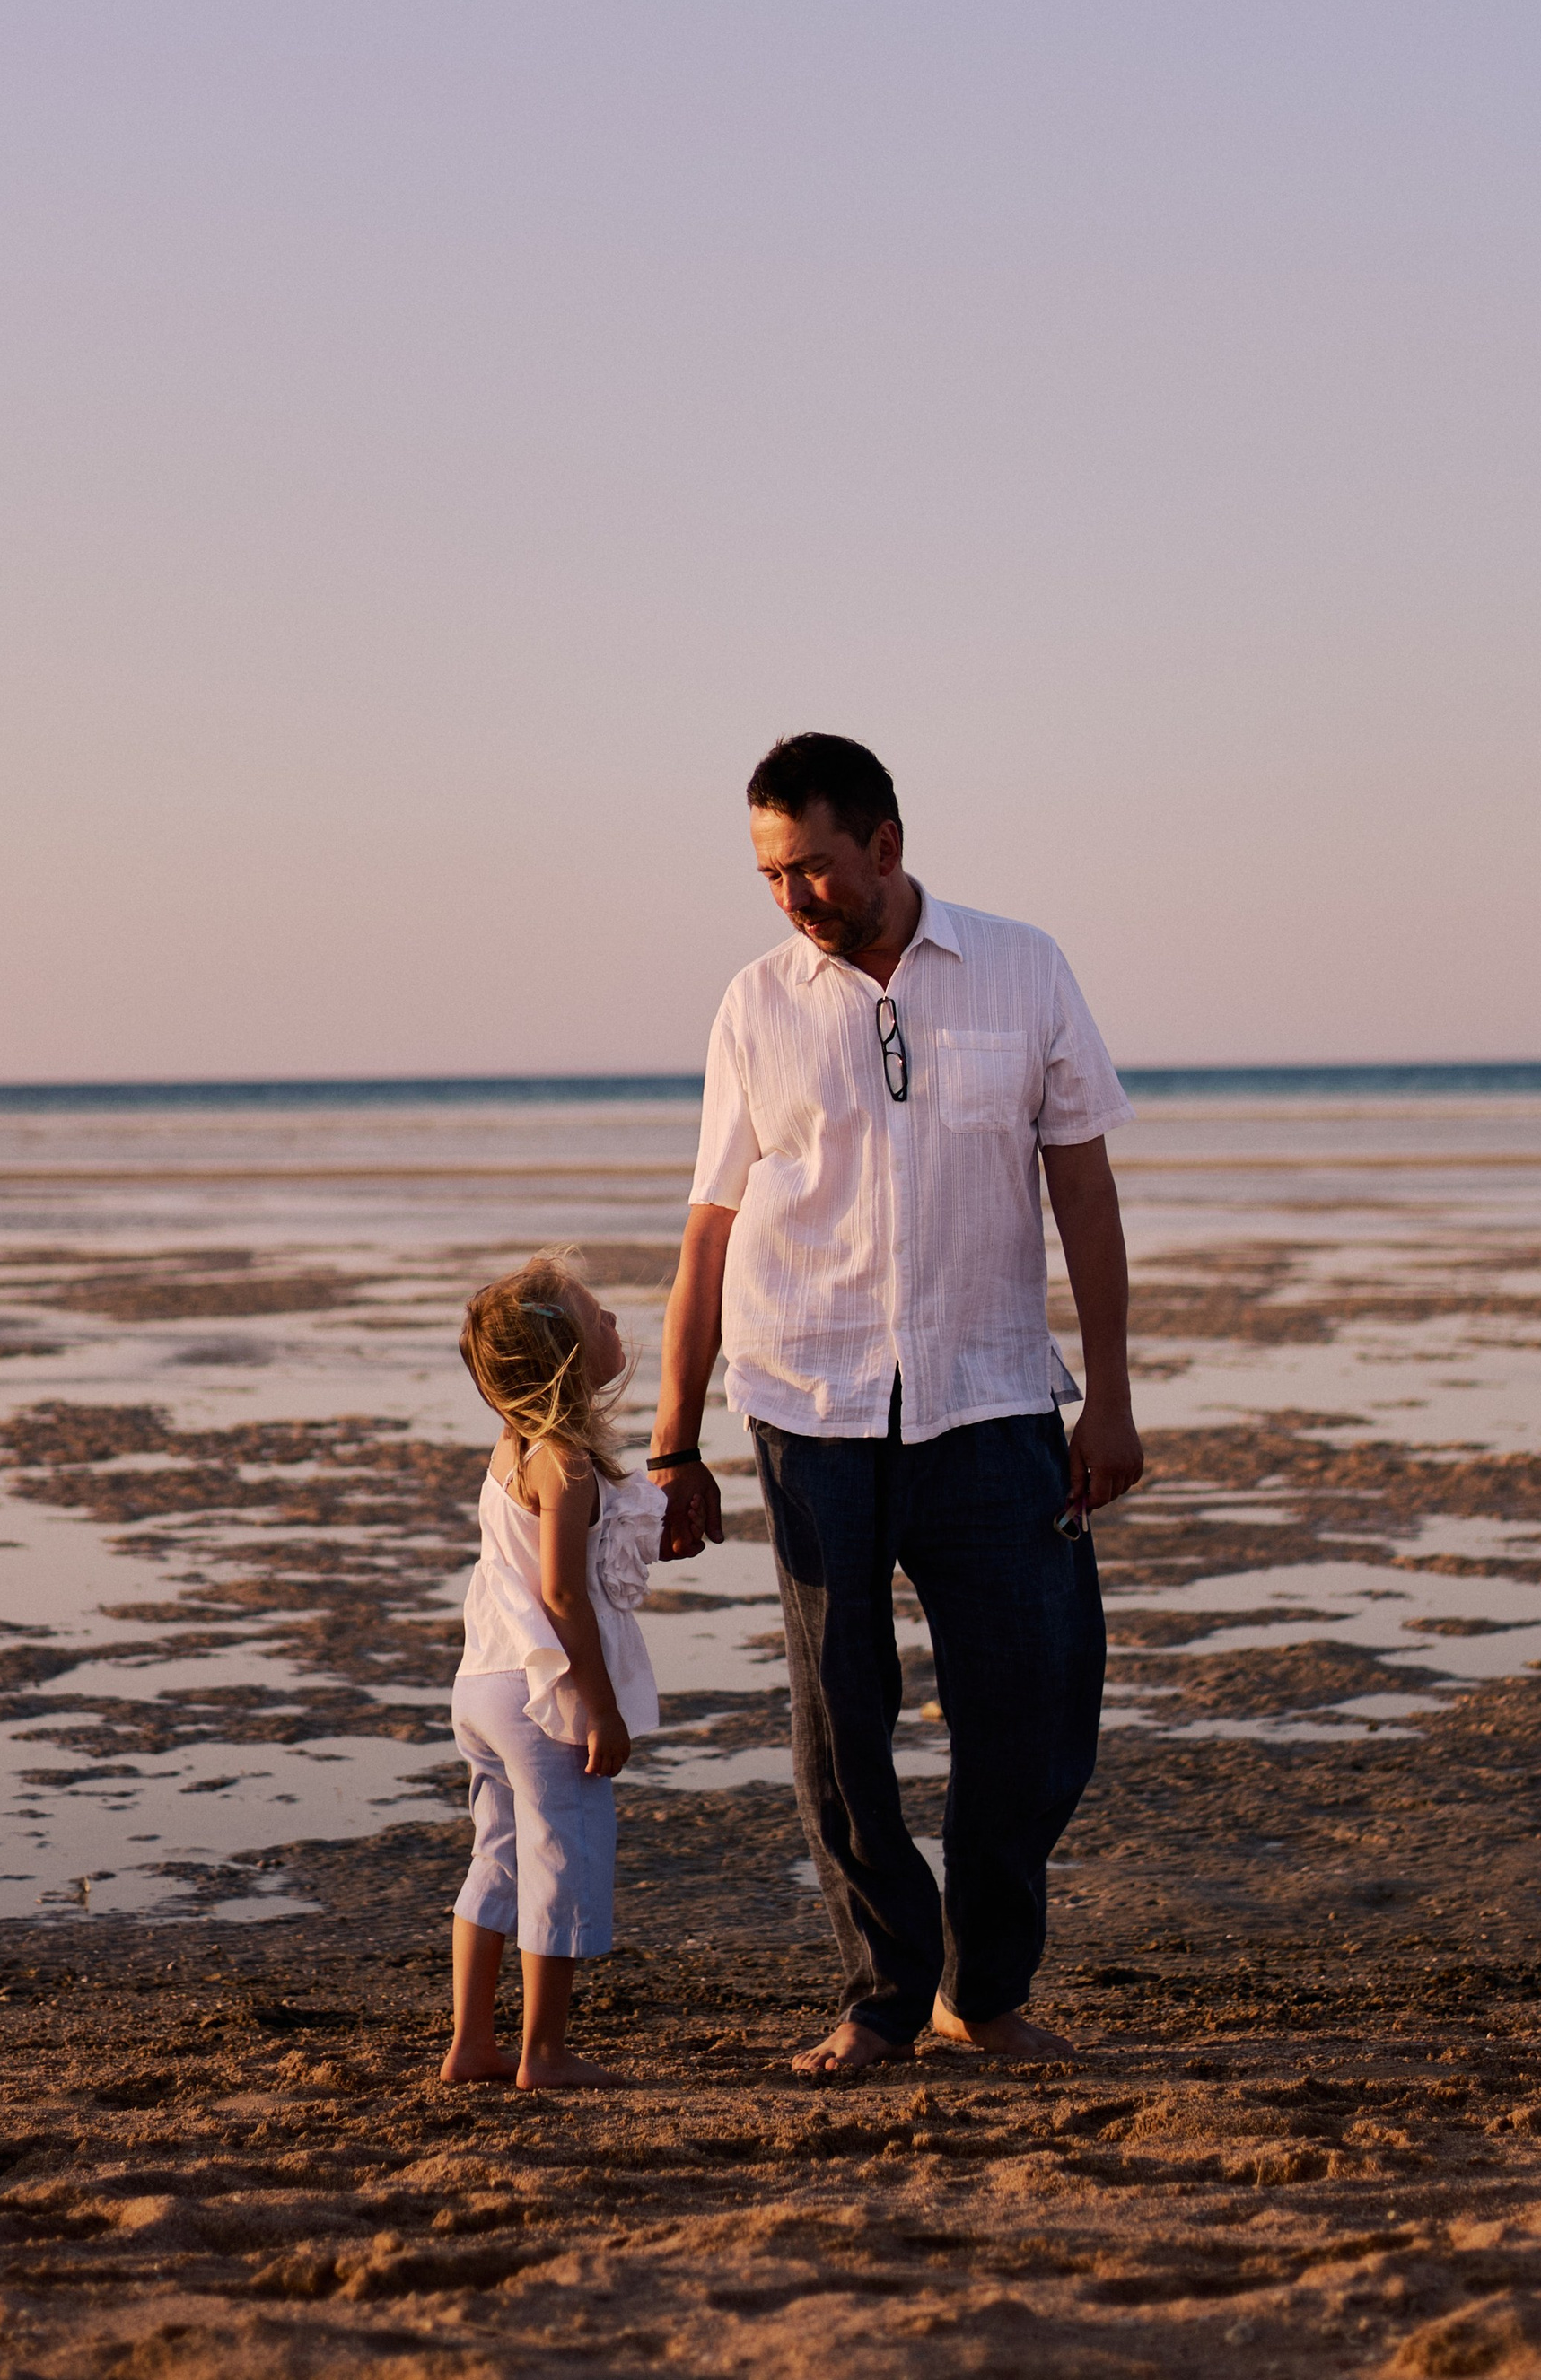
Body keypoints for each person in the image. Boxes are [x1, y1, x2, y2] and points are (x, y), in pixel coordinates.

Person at [650, 732, 1143, 2074]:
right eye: (769, 874)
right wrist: (672, 1437)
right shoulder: (753, 1006)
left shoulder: (1024, 967)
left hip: (993, 1396)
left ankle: (982, 1993)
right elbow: (710, 1228)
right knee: (840, 1711)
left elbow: (1085, 1191)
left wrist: (1110, 1397)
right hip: (808, 1397)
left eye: (811, 864)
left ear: (885, 845)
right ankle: (883, 1994)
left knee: (1038, 1707)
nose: (793, 895)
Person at [442, 1256, 664, 2090]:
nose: (616, 1325)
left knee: (497, 1853)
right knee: (564, 1855)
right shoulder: (565, 1465)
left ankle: (471, 2043)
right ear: (569, 1359)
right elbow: (564, 1591)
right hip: (544, 1693)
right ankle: (544, 2051)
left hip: (484, 1680)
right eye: (599, 1318)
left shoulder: (514, 1449)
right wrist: (599, 1709)